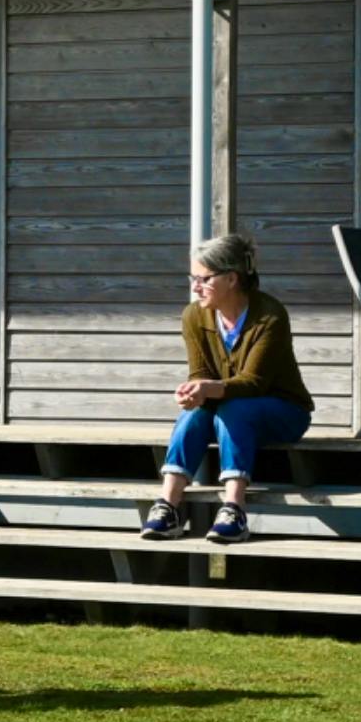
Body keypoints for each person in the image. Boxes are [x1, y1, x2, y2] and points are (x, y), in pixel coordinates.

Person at [140, 231, 312, 543]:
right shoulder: (194, 315)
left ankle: (234, 508)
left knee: (233, 408)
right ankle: (168, 506)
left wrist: (208, 388)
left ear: (231, 279)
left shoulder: (270, 315)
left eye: (203, 279)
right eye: (192, 277)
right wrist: (194, 390)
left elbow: (254, 382)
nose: (195, 287)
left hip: (284, 410)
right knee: (193, 415)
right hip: (226, 407)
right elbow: (200, 372)